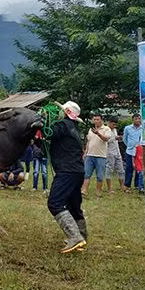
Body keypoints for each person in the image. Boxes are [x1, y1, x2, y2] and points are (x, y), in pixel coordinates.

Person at [47, 101, 87, 253]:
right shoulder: (74, 128)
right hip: (77, 171)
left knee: (55, 203)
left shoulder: (63, 125)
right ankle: (82, 236)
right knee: (74, 206)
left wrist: (41, 125)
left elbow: (49, 132)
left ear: (66, 113)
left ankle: (74, 237)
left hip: (67, 171)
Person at [81, 114, 112, 196]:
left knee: (100, 175)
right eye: (94, 119)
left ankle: (98, 191)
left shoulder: (106, 129)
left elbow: (106, 139)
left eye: (98, 119)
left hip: (101, 156)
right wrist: (85, 153)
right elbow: (88, 142)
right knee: (86, 173)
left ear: (101, 120)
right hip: (90, 155)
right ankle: (84, 190)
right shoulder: (91, 130)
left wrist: (98, 133)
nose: (96, 121)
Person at [105, 117, 126, 193]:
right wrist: (114, 138)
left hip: (117, 152)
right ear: (109, 122)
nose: (114, 126)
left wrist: (118, 138)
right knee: (109, 169)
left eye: (115, 125)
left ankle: (122, 186)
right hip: (109, 152)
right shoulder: (105, 130)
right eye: (113, 124)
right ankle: (109, 188)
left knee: (121, 170)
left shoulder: (114, 130)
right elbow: (105, 141)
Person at [123, 113, 143, 192]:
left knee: (139, 169)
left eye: (139, 119)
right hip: (130, 151)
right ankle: (127, 185)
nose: (138, 120)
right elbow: (125, 139)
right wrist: (130, 146)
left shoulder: (143, 128)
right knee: (129, 168)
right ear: (133, 120)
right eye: (136, 119)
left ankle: (137, 185)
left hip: (139, 152)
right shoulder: (128, 128)